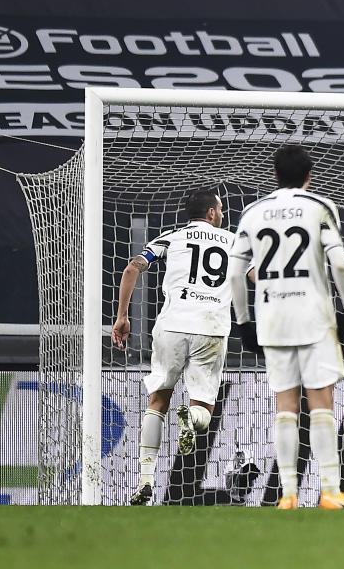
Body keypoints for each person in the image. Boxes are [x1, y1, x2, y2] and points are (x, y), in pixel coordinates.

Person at [228, 144, 344, 510]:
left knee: (285, 406)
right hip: (314, 316)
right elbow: (341, 266)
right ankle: (331, 492)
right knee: (321, 404)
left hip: (273, 317)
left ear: (273, 175)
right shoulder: (319, 207)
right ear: (309, 175)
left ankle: (287, 495)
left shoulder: (253, 212)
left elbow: (236, 272)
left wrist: (243, 322)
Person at [112, 189, 234, 506]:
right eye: (220, 209)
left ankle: (145, 482)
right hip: (211, 328)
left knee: (157, 401)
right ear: (211, 213)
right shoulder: (233, 242)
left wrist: (123, 317)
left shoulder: (171, 238)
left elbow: (131, 268)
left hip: (172, 326)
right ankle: (191, 420)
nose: (221, 214)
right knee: (204, 409)